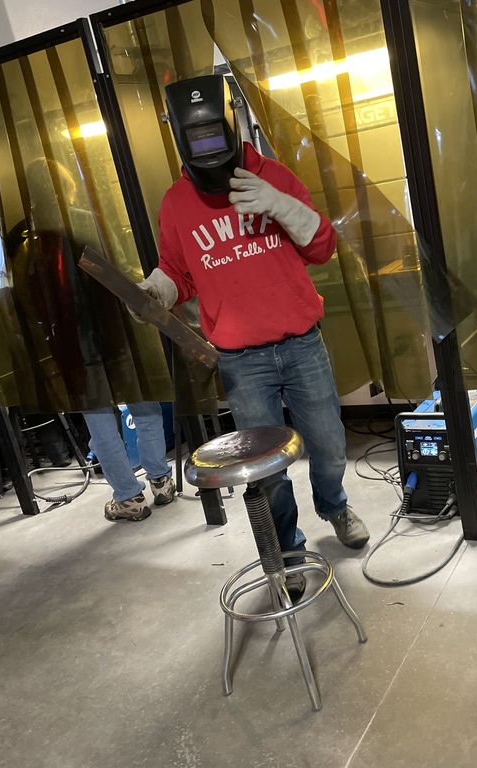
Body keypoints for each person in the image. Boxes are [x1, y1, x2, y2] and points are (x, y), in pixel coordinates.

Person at [138, 75, 369, 598]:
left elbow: (322, 247)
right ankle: (288, 550)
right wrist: (156, 290)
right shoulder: (176, 203)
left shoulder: (273, 177)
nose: (208, 148)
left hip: (301, 344)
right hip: (241, 360)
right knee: (267, 470)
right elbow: (178, 271)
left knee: (330, 445)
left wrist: (279, 204)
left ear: (231, 124)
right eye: (195, 138)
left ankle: (335, 506)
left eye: (213, 134)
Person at [13, 159, 175, 521]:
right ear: (67, 184)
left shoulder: (28, 242)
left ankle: (129, 498)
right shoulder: (90, 220)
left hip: (70, 342)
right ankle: (161, 480)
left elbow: (25, 299)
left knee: (99, 420)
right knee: (143, 401)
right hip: (116, 329)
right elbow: (123, 270)